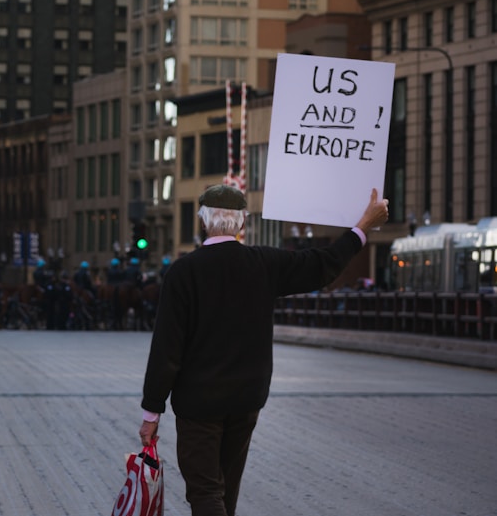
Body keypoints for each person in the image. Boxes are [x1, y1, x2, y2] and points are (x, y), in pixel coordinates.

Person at [138, 185, 389, 516]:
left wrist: (151, 412)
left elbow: (166, 348)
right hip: (246, 398)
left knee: (205, 490)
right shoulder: (265, 264)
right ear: (242, 224)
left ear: (202, 223)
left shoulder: (183, 272)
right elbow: (322, 264)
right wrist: (362, 227)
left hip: (198, 402)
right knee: (225, 487)